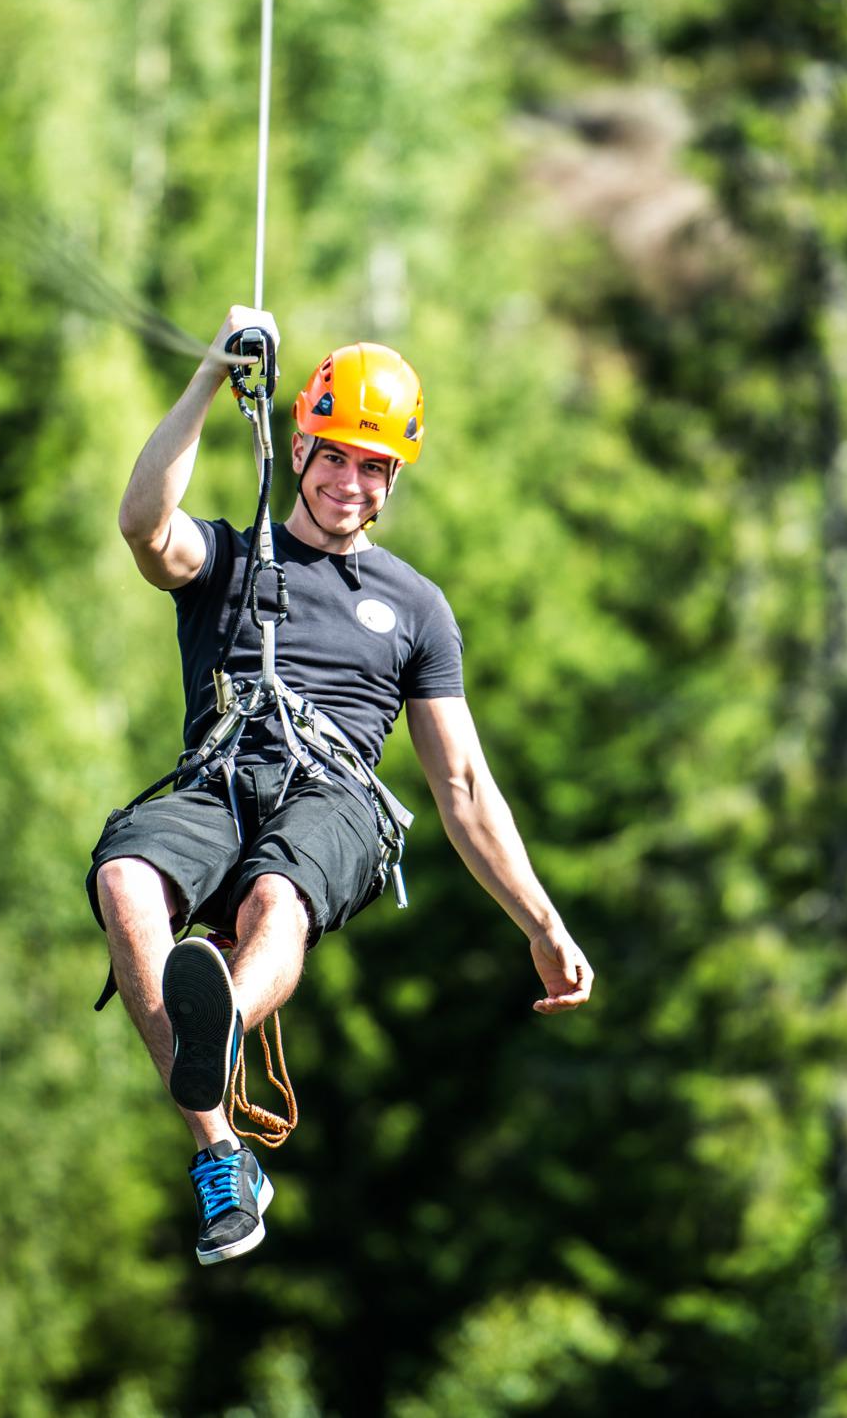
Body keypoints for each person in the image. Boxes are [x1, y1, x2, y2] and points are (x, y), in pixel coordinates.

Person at [91, 303, 596, 1264]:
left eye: (374, 467)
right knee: (124, 880)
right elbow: (141, 524)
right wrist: (208, 376)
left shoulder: (414, 608)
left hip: (334, 802)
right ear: (302, 440)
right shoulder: (230, 558)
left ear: (394, 478)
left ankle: (219, 1022)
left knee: (279, 894)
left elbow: (464, 784)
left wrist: (542, 921)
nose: (349, 483)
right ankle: (222, 1159)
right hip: (222, 776)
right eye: (335, 456)